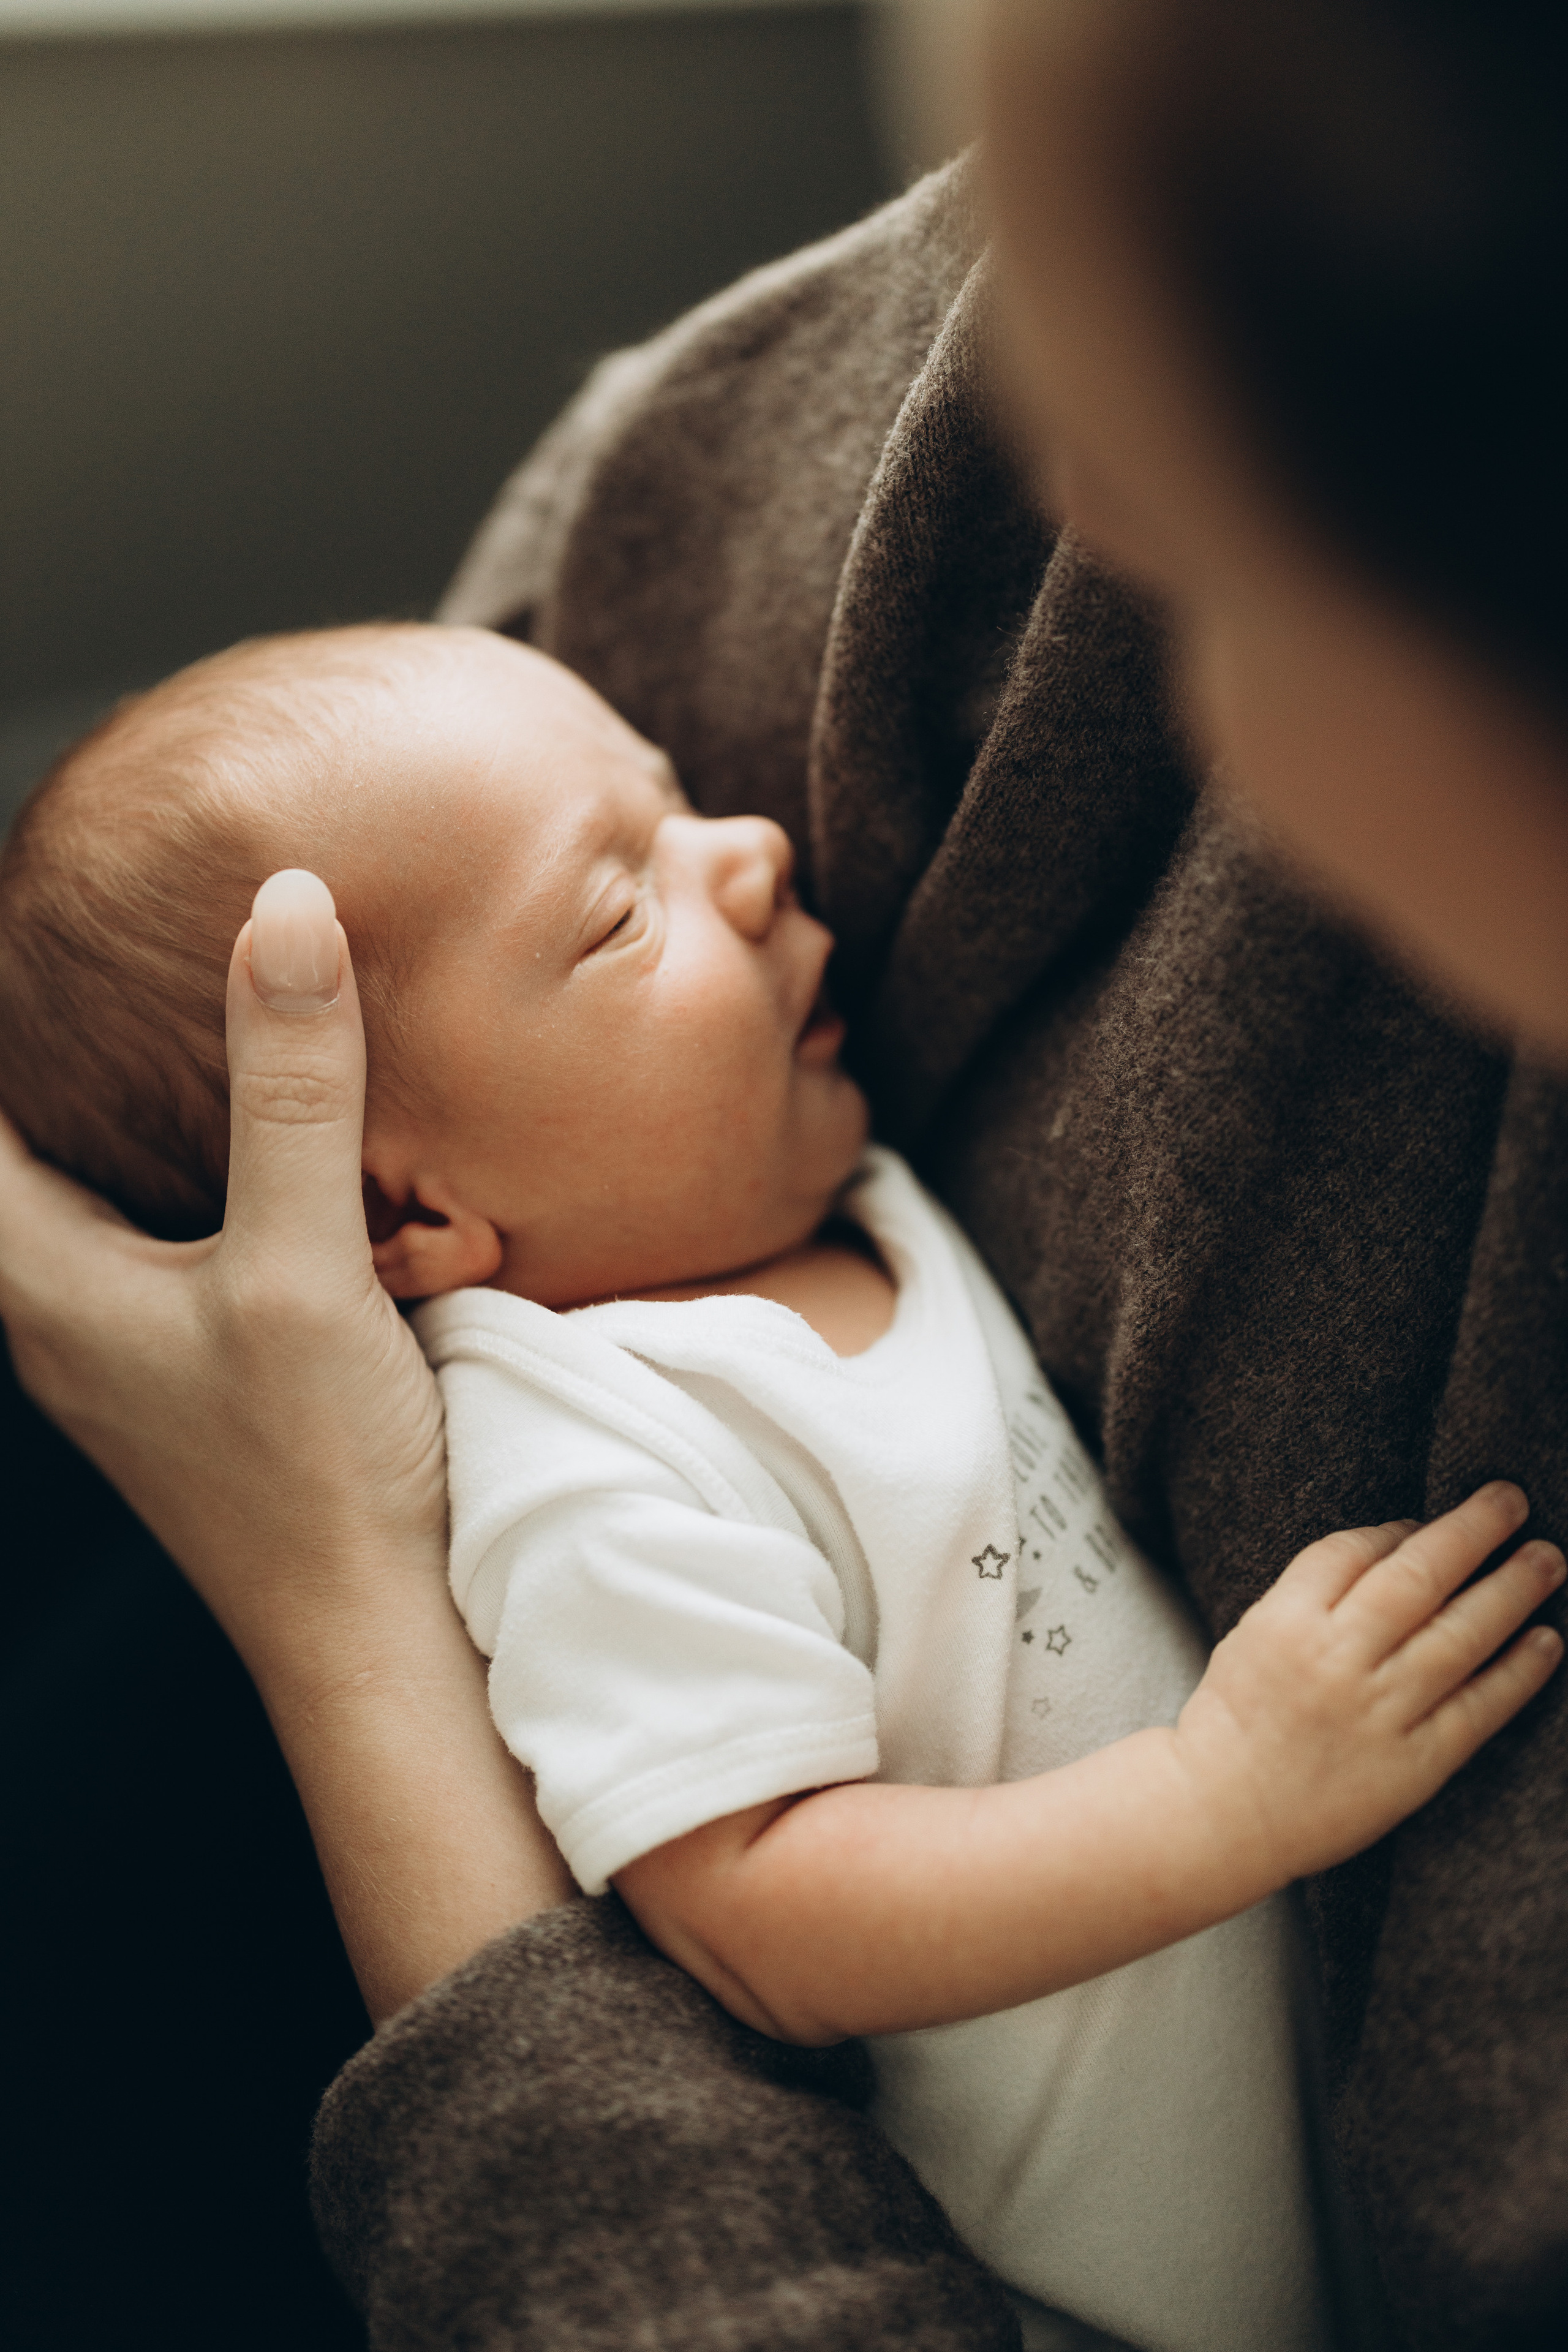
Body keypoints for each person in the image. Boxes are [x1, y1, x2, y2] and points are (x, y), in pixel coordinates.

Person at [2, 2, 1565, 2345]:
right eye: (617, 909)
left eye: (665, 796)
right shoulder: (594, 1448)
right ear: (411, 1223)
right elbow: (759, 1910)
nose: (749, 847)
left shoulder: (818, 1205)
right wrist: (1231, 1798)